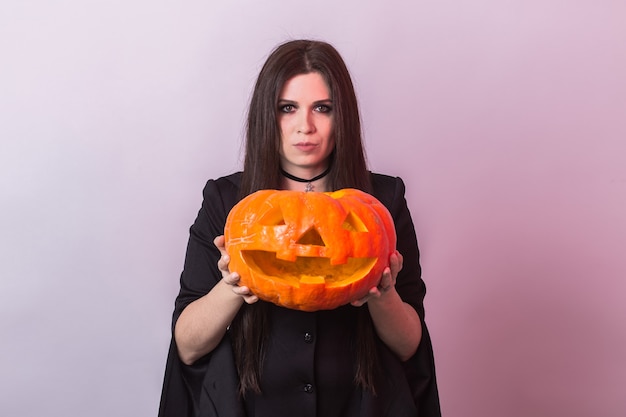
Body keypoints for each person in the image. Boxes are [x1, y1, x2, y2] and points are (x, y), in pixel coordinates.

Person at [158, 39, 440, 417]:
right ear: (267, 116)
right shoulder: (226, 201)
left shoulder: (382, 202)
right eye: (287, 108)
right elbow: (188, 347)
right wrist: (232, 285)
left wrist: (382, 295)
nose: (304, 126)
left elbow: (409, 347)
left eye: (322, 108)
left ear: (343, 117)